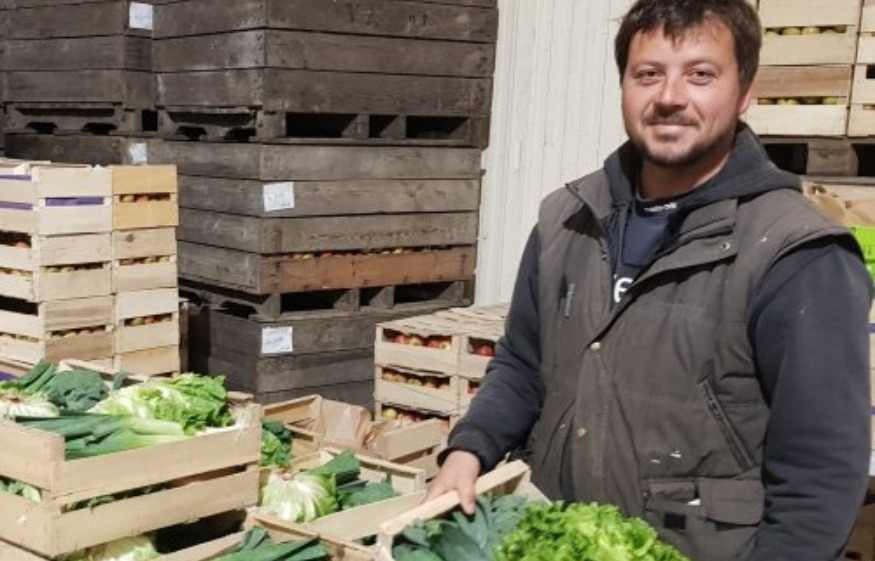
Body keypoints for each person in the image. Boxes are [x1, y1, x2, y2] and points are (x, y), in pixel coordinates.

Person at [424, 0, 874, 559]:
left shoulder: (795, 254)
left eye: (700, 74)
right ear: (624, 87)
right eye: (648, 74)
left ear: (745, 92)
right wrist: (469, 449)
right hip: (560, 539)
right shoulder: (568, 219)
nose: (669, 97)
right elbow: (521, 364)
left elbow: (820, 476)